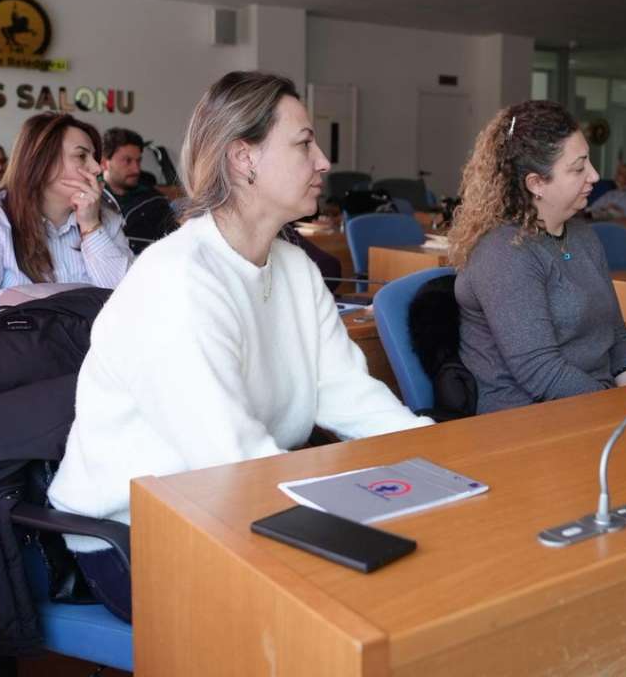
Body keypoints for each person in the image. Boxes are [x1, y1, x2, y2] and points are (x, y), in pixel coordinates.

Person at [46, 71, 433, 622]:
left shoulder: (294, 267)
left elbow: (347, 393)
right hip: (135, 535)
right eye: (303, 144)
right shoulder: (179, 278)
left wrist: (436, 455)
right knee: (362, 603)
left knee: (423, 564)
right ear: (242, 158)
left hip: (233, 504)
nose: (323, 162)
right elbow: (227, 459)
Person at [448, 100, 626, 415]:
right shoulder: (505, 252)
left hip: (595, 405)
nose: (595, 175)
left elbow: (617, 335)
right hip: (527, 418)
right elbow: (541, 372)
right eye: (578, 168)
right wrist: (619, 409)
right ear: (536, 183)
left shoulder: (584, 236)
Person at [0, 113, 133, 328]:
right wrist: (64, 302)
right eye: (81, 156)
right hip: (25, 345)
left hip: (96, 345)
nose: (97, 168)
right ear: (42, 162)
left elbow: (128, 298)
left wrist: (90, 225)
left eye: (94, 157)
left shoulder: (105, 217)